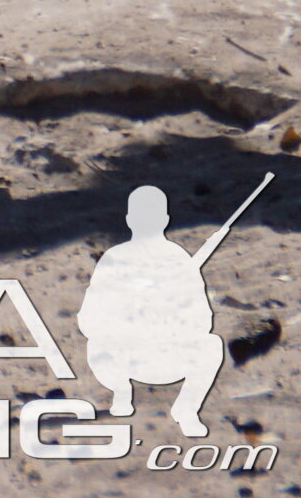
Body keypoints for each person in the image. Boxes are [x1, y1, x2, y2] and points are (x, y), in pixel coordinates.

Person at [80, 183, 231, 436]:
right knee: (97, 345)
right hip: (126, 357)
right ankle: (121, 393)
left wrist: (170, 313)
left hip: (170, 355)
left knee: (211, 345)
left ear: (164, 220)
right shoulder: (115, 259)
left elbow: (202, 320)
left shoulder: (179, 260)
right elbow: (89, 319)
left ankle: (187, 408)